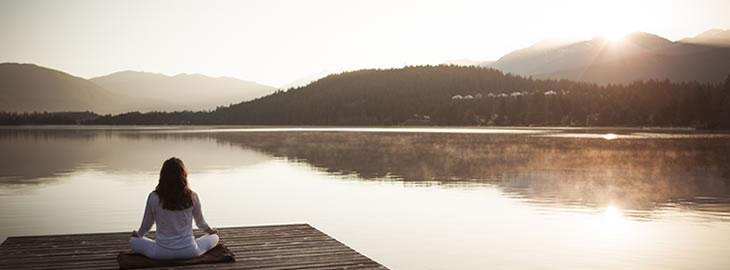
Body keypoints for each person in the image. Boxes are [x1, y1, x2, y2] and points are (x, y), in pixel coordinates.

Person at [129, 157, 219, 260]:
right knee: (215, 237)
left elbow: (147, 224)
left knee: (133, 241)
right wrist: (211, 231)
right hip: (190, 251)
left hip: (161, 253)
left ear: (163, 176)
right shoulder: (192, 196)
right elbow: (200, 223)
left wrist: (138, 234)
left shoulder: (153, 197)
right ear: (183, 175)